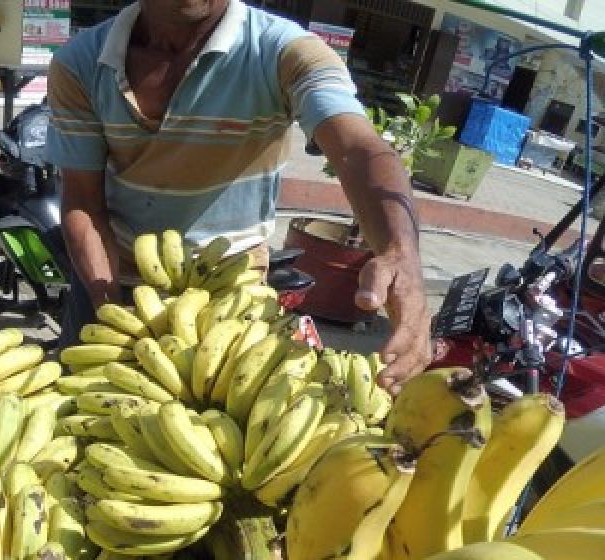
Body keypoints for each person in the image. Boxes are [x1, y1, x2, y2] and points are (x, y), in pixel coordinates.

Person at [45, 0, 430, 393]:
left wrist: (400, 253)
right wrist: (110, 309)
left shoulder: (283, 50)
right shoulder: (82, 62)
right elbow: (83, 201)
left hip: (230, 296)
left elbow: (358, 150)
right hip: (109, 279)